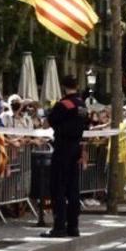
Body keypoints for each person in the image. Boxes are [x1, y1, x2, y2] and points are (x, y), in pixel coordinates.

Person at [44, 78, 89, 238]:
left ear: (63, 88)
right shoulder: (82, 105)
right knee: (73, 189)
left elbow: (48, 122)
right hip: (76, 148)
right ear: (77, 86)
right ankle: (73, 226)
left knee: (58, 188)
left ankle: (59, 227)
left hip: (62, 148)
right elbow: (86, 128)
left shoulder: (63, 104)